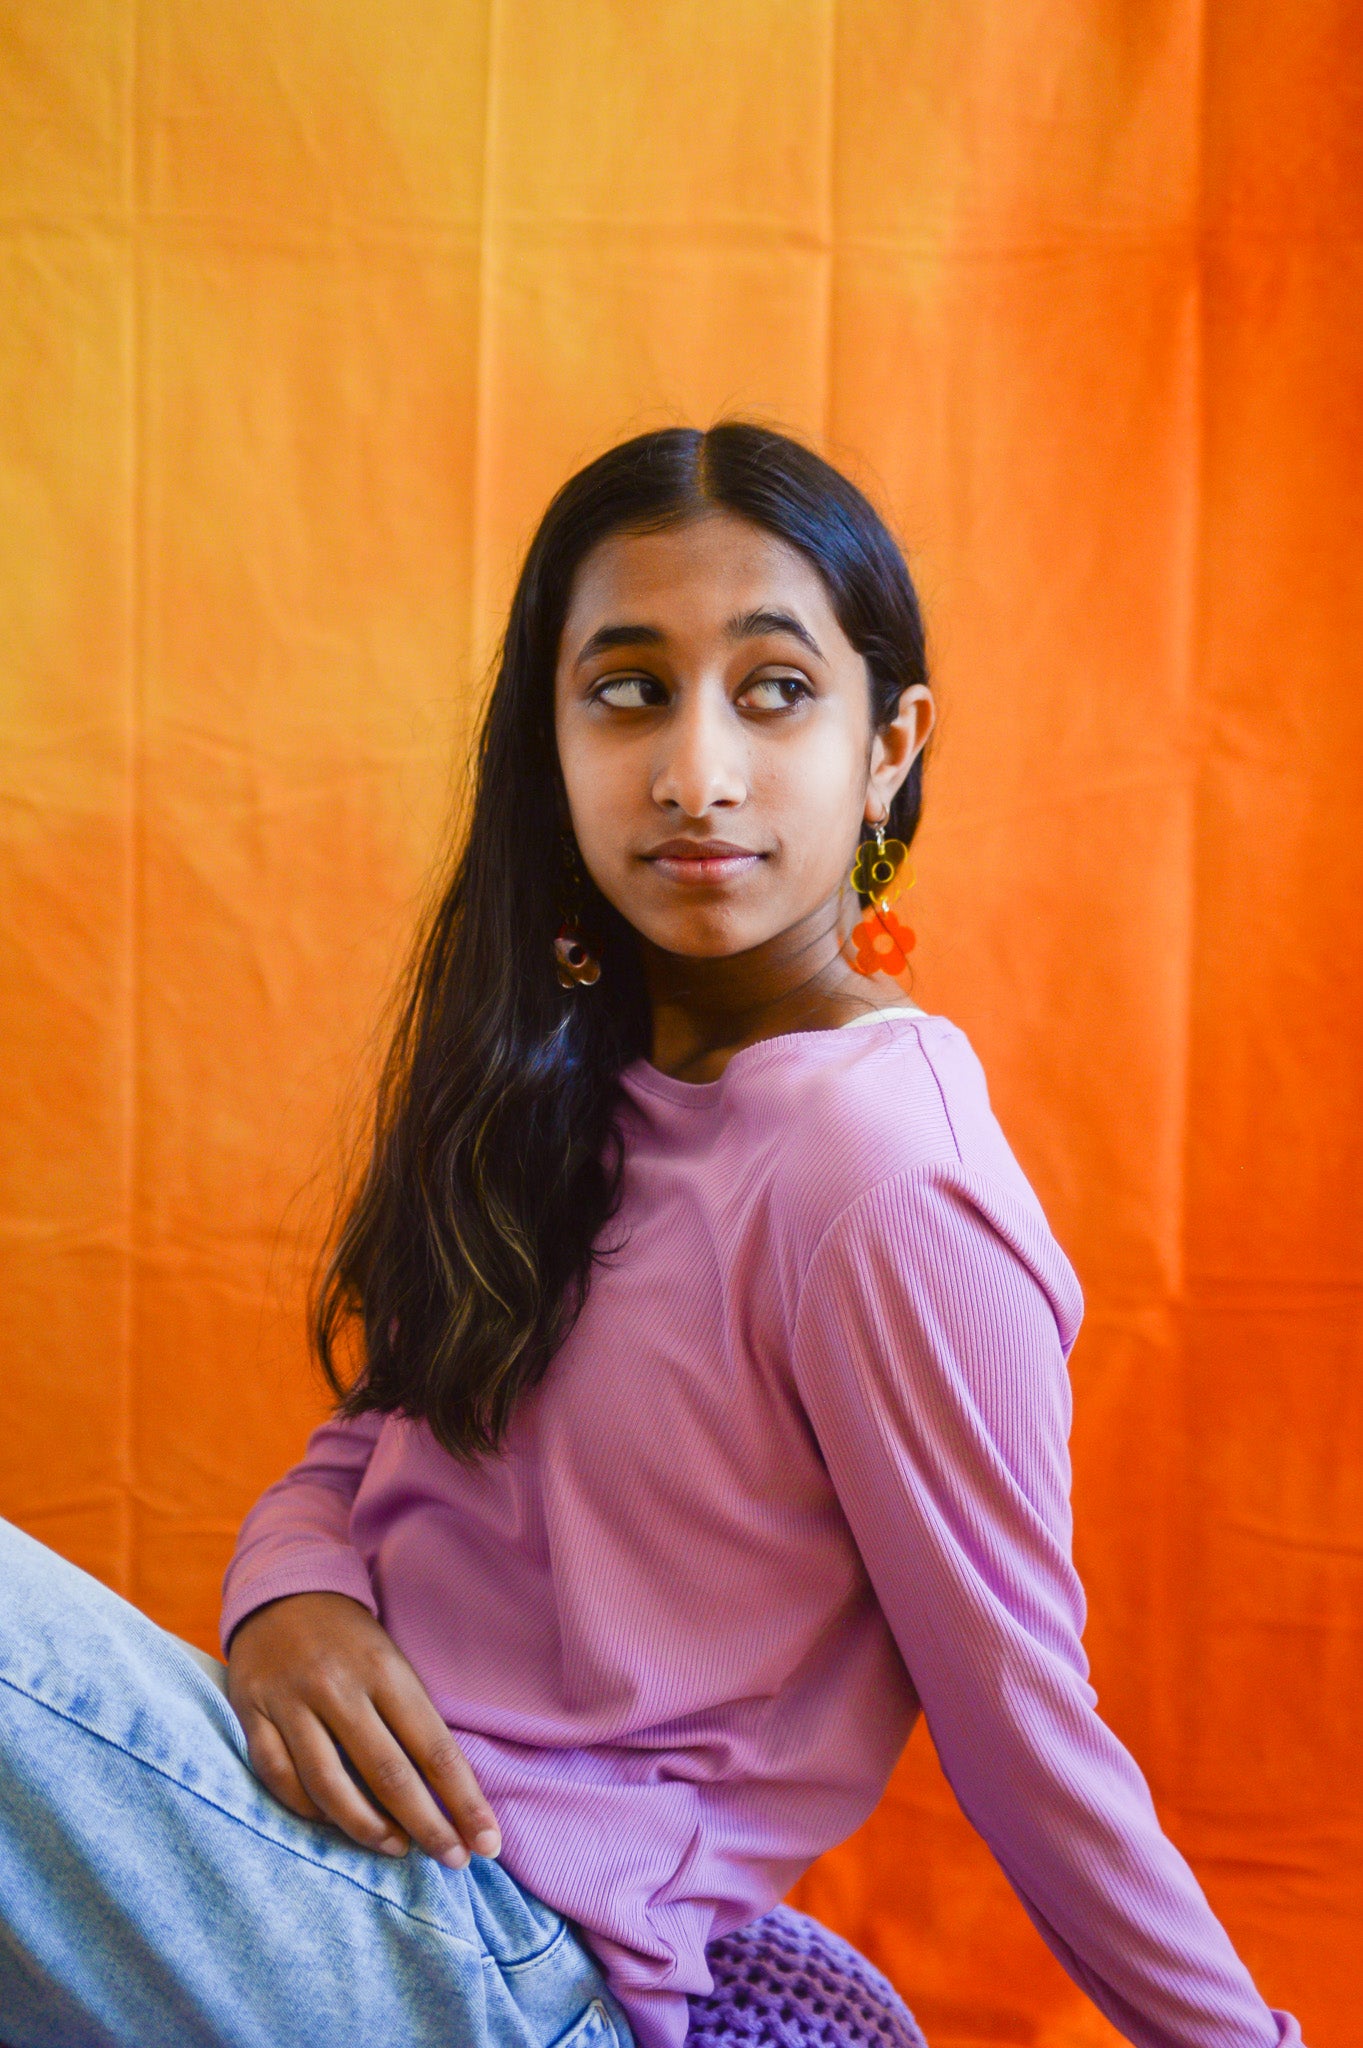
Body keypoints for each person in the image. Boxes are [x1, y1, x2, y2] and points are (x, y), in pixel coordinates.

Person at [0, 425, 1302, 2048]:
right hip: (313, 1857)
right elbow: (377, 1445)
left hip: (502, 1954)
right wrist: (291, 1601)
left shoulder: (883, 1180)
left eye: (773, 692)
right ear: (548, 741)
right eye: (628, 690)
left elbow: (1024, 1730)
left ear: (890, 744)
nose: (698, 772)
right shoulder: (574, 1082)